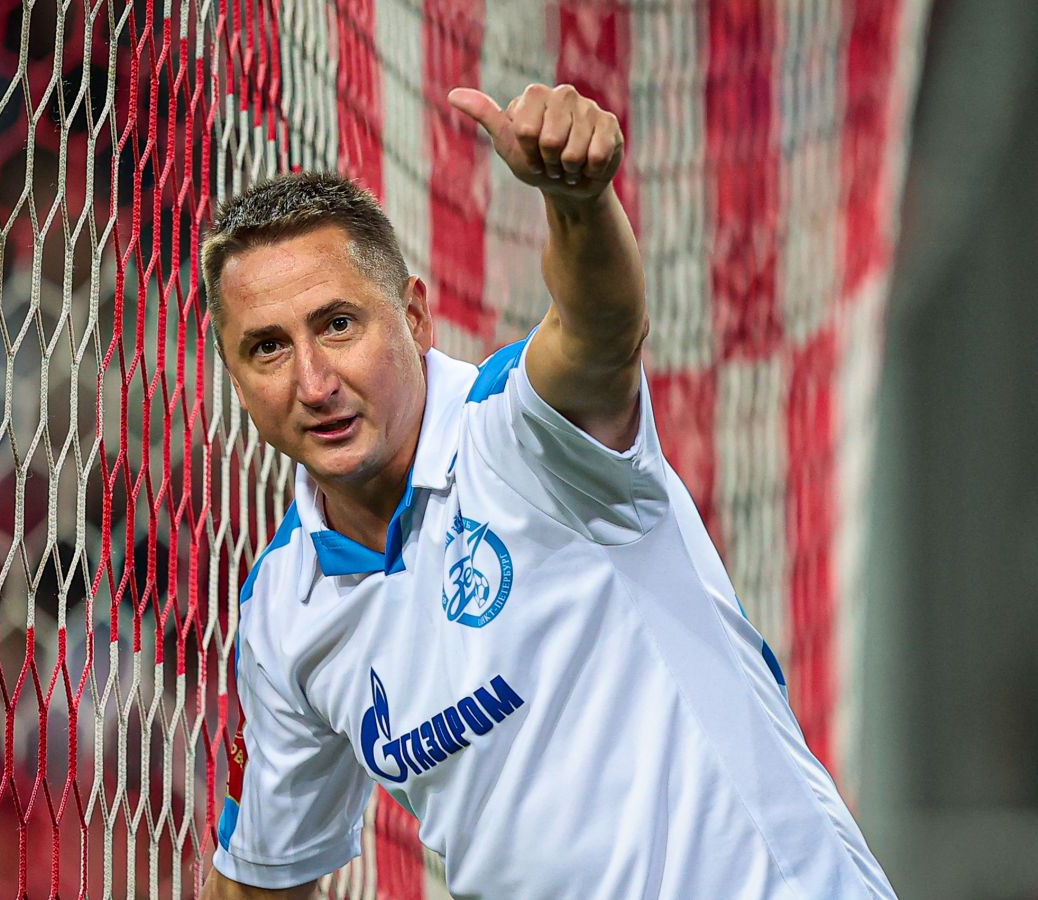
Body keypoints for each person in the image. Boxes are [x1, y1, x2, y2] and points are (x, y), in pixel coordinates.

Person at [198, 83, 896, 899]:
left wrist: (580, 204)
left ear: (414, 318)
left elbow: (600, 334)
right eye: (268, 348)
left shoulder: (524, 432)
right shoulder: (285, 611)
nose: (315, 382)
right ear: (236, 380)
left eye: (338, 324)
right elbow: (262, 880)